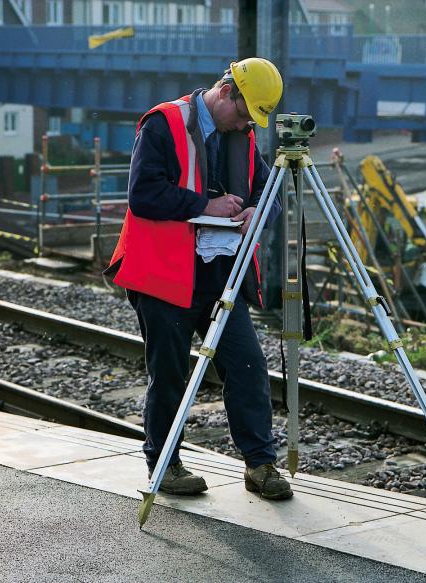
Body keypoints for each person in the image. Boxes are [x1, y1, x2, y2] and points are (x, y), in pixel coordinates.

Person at [104, 58, 292, 500]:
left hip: (220, 278)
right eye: (245, 113)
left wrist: (255, 212)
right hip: (163, 277)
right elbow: (143, 194)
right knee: (169, 375)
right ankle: (165, 466)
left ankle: (260, 466)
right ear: (226, 92)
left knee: (247, 367)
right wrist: (204, 207)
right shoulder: (163, 123)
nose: (248, 125)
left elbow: (271, 191)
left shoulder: (240, 137)